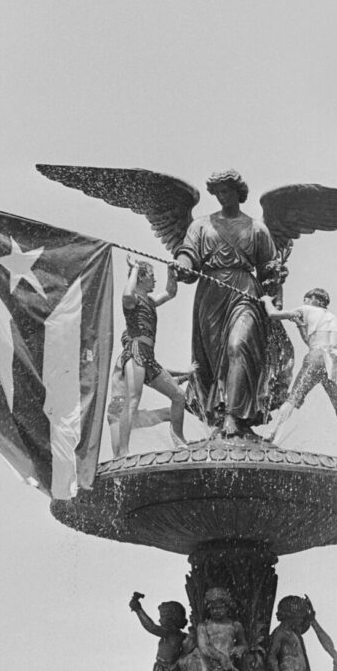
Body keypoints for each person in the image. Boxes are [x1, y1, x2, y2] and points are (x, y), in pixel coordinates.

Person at [174, 169, 279, 437]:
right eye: (218, 192)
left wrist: (276, 277)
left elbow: (268, 270)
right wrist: (184, 265)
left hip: (245, 291)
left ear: (238, 193)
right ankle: (220, 416)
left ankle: (234, 415)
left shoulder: (257, 228)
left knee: (238, 345)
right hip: (211, 295)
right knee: (213, 362)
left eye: (226, 191)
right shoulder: (200, 225)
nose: (222, 196)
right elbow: (188, 252)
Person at [260, 287, 337, 458]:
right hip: (336, 359)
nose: (303, 302)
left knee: (293, 398)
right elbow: (310, 340)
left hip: (316, 356)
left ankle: (272, 434)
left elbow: (273, 315)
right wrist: (299, 326)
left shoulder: (306, 309)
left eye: (305, 299)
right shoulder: (332, 317)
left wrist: (266, 300)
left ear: (311, 299)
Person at [115, 259, 186, 457]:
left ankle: (179, 440)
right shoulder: (133, 299)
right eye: (152, 277)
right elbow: (127, 294)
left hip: (149, 357)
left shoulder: (150, 301)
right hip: (136, 352)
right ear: (142, 278)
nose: (155, 281)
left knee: (179, 396)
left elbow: (170, 292)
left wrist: (171, 271)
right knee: (133, 400)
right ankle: (123, 451)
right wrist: (135, 268)